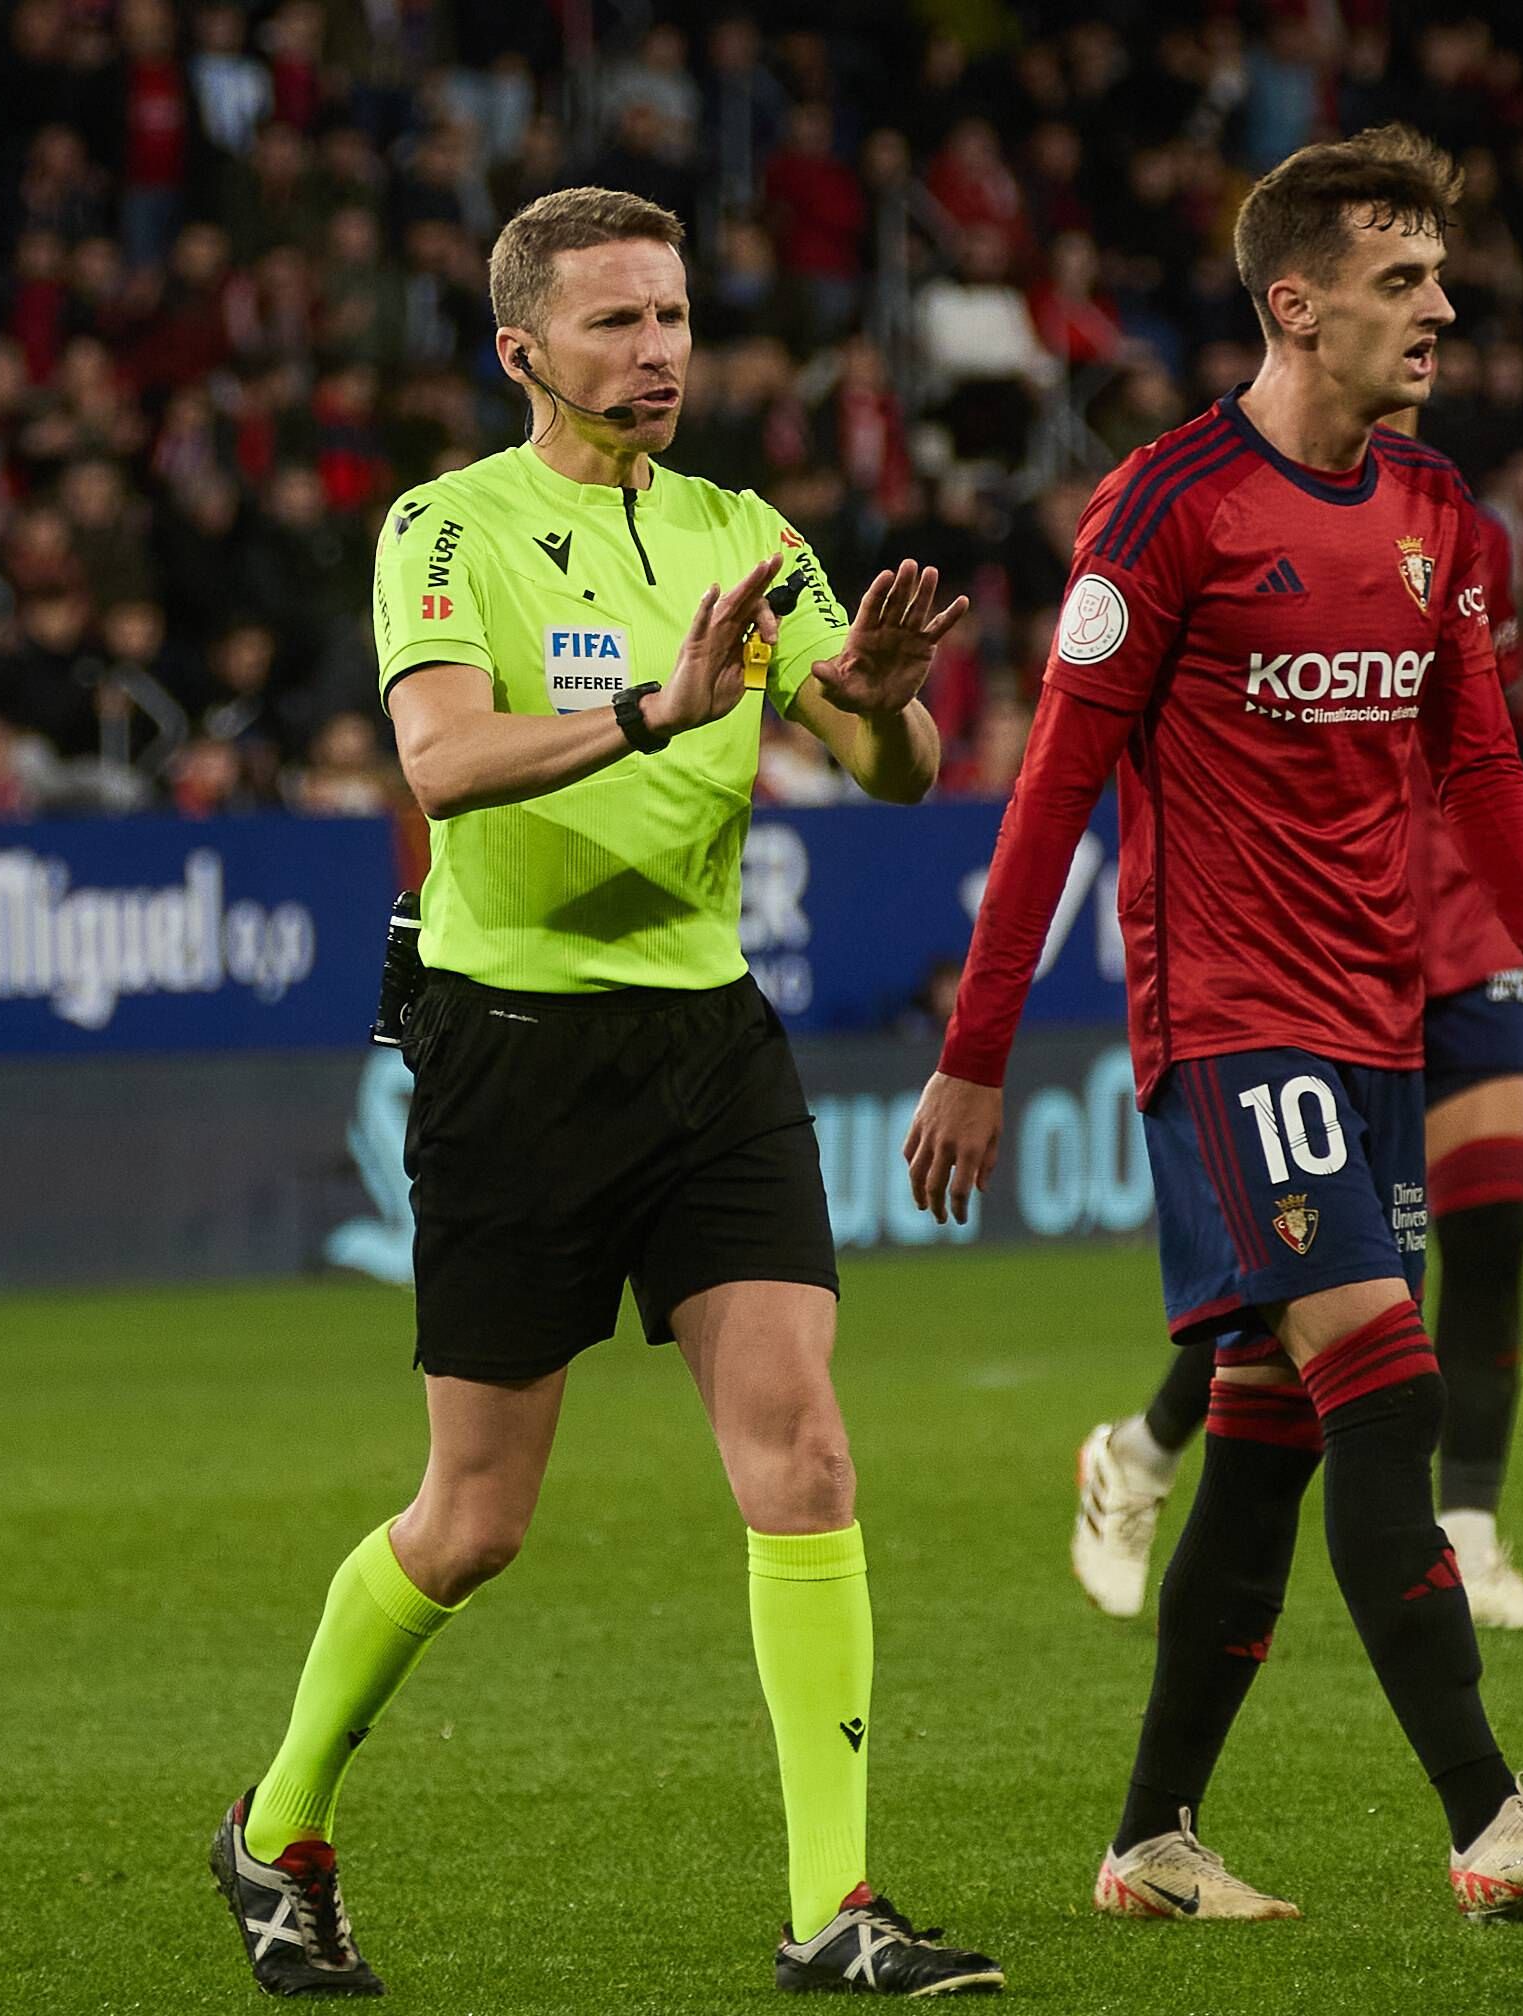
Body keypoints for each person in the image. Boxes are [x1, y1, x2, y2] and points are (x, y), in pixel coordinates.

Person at [210, 186, 1002, 2000]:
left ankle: (834, 1909)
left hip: (704, 1048)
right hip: (507, 1054)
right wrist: (657, 708)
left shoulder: (742, 530)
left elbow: (894, 767)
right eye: (613, 325)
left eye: (671, 319)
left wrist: (873, 699)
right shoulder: (448, 526)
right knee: (473, 1523)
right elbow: (442, 756)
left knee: (799, 1451)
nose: (656, 354)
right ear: (520, 354)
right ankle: (278, 1826)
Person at [901, 127, 1523, 1929]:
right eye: (1402, 284)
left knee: (1265, 1430)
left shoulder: (1434, 518)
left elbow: (1473, 759)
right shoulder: (1164, 510)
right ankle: (1489, 1815)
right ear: (1292, 305)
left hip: (1375, 1030)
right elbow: (1053, 791)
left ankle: (1148, 1837)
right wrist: (975, 1046)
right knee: (1379, 1380)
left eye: (1441, 281)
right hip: (1232, 1027)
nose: (1441, 311)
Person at [1072, 521, 1523, 1633]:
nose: (1431, 336)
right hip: (1328, 933)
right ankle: (1139, 1453)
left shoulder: (1464, 530)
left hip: (1462, 916)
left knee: (1493, 1232)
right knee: (1336, 1277)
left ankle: (1472, 1541)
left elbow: (1483, 745)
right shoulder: (1237, 510)